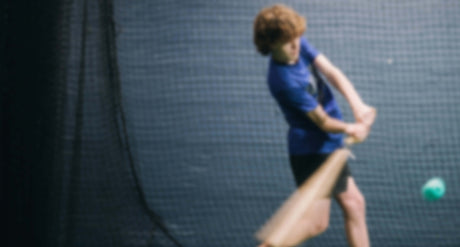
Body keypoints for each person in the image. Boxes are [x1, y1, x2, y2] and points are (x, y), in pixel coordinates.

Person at [253, 4, 376, 247]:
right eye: (287, 42)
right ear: (270, 46)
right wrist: (351, 128)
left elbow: (331, 72)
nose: (295, 45)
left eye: (296, 37)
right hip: (312, 152)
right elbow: (323, 122)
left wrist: (358, 106)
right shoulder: (283, 81)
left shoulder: (297, 44)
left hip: (328, 144)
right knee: (316, 224)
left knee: (355, 204)